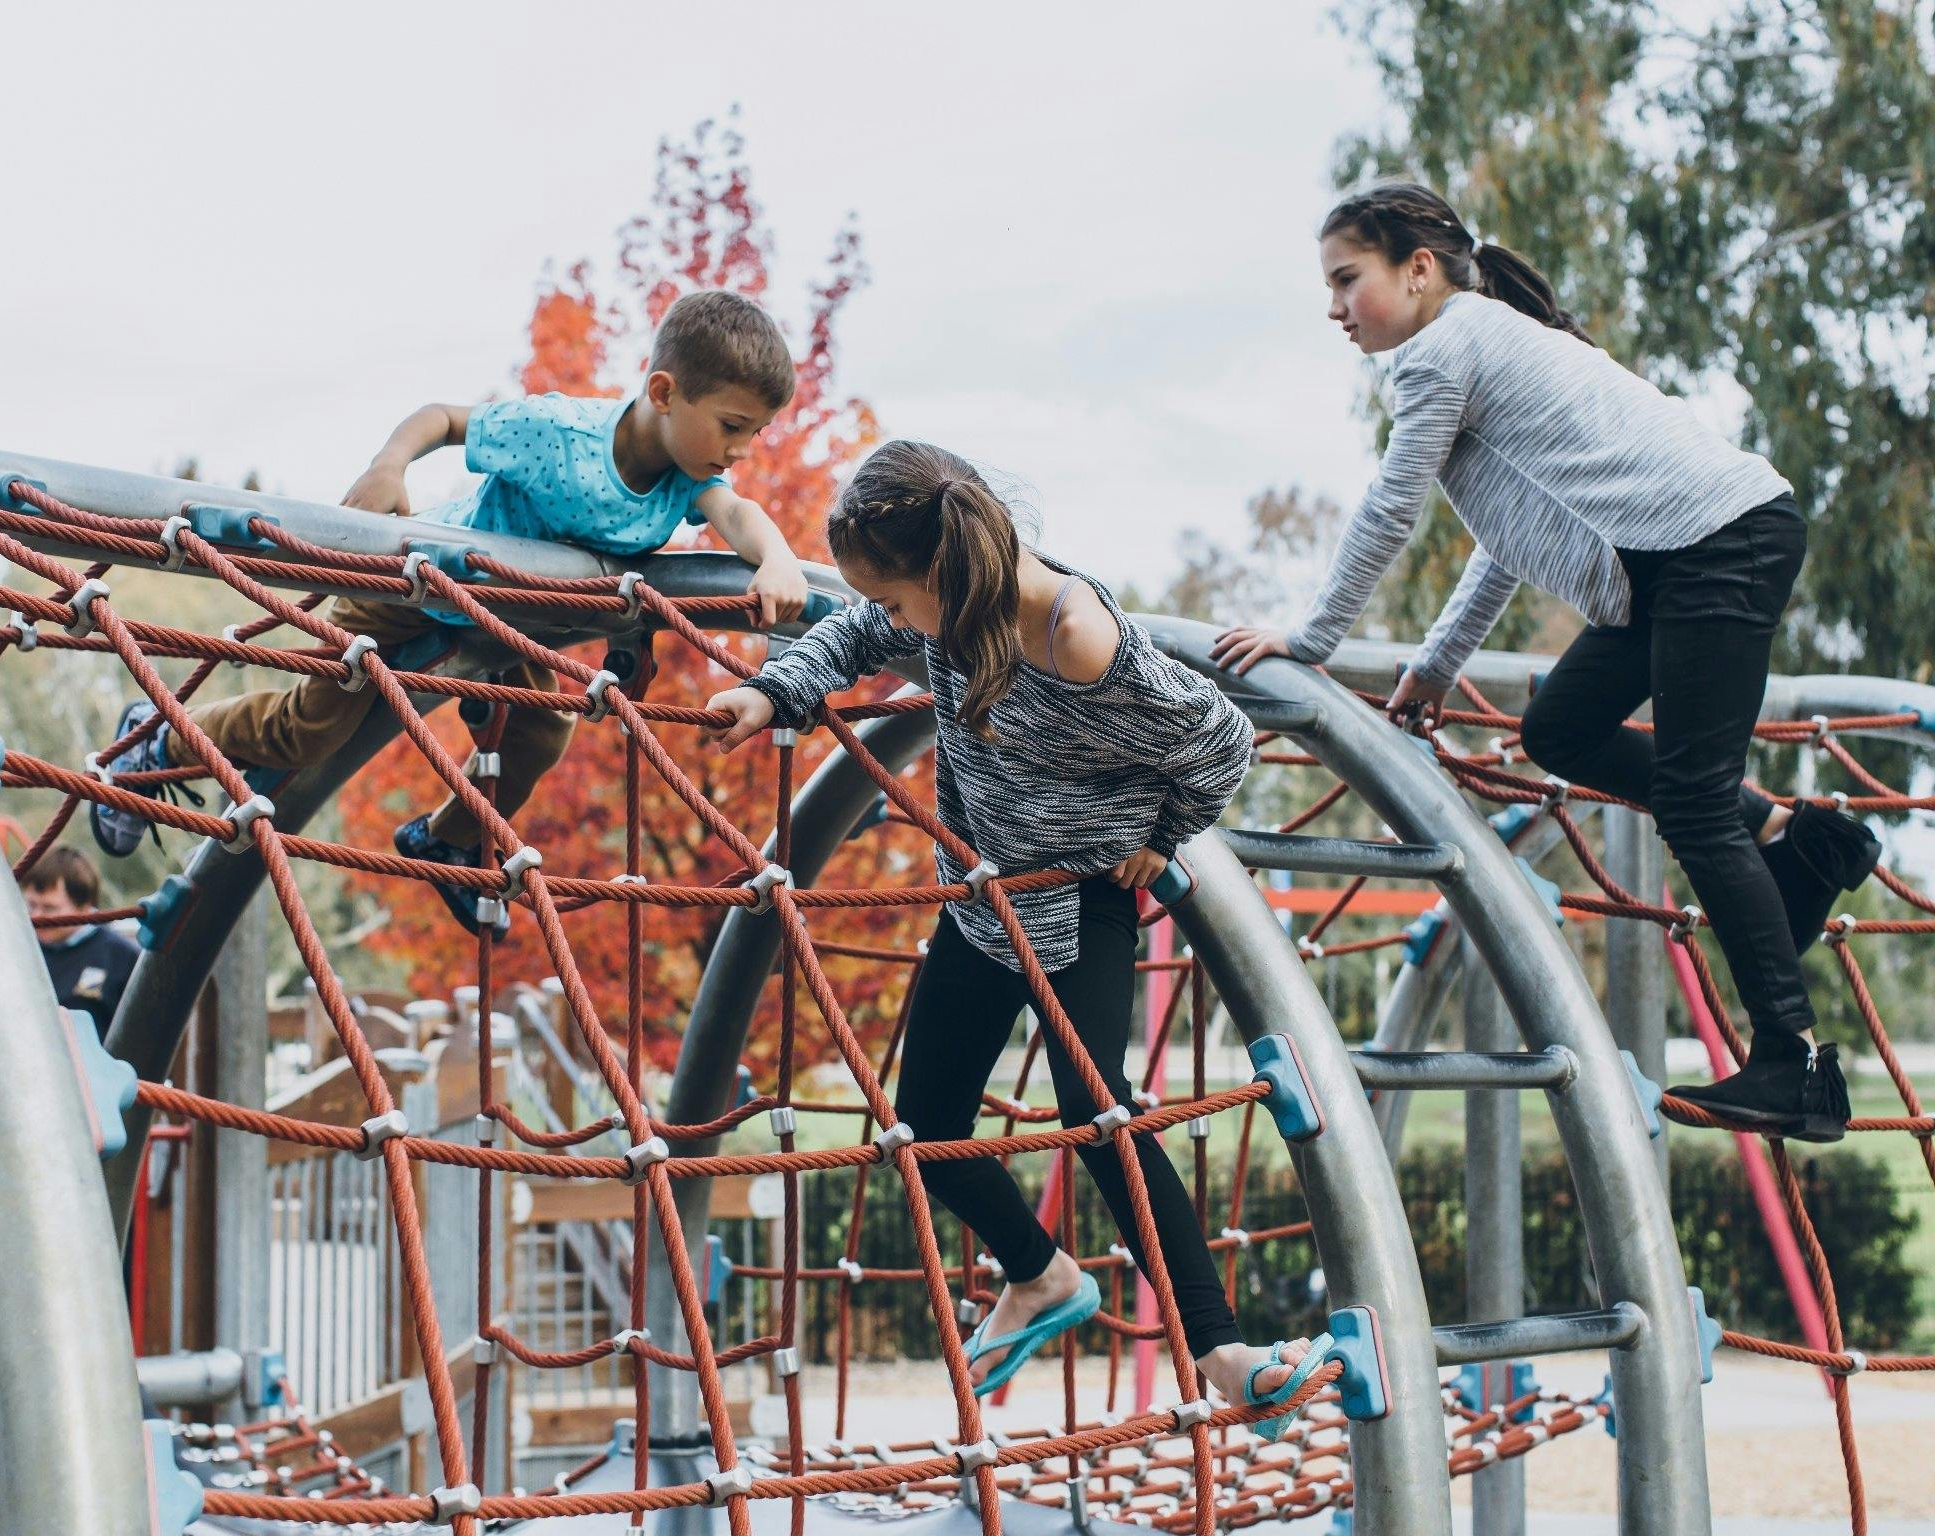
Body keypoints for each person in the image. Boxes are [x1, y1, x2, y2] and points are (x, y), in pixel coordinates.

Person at [1211, 182, 1877, 1143]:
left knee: (1692, 799)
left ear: (1419, 269)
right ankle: (1801, 838)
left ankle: (1793, 1065)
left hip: (1715, 543)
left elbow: (1390, 508)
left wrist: (1308, 641)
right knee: (1558, 729)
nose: (1334, 308)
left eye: (1347, 280)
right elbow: (1508, 540)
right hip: (1682, 561)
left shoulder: (1445, 348)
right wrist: (1437, 665)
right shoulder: (1477, 344)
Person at [702, 439, 1323, 1424]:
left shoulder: (1076, 638)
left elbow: (1220, 741)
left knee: (1094, 1106)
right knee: (929, 1124)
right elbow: (853, 635)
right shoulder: (951, 610)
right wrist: (771, 690)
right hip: (981, 898)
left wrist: (1156, 839)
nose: (896, 625)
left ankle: (1221, 1352)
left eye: (903, 604)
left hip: (1079, 895)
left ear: (942, 574)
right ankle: (1039, 1277)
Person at [89, 290, 812, 935]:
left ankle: (447, 839)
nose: (742, 451)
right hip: (418, 591)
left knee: (538, 735)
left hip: (510, 621)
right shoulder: (561, 435)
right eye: (732, 426)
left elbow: (738, 513)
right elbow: (443, 419)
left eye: (754, 434)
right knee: (311, 729)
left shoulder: (687, 478)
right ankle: (159, 738)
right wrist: (388, 467)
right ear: (663, 391)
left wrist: (775, 559)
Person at [17, 845, 140, 1039]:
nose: (37, 917)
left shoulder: (120, 957)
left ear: (83, 906)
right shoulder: (19, 950)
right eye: (31, 905)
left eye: (50, 908)